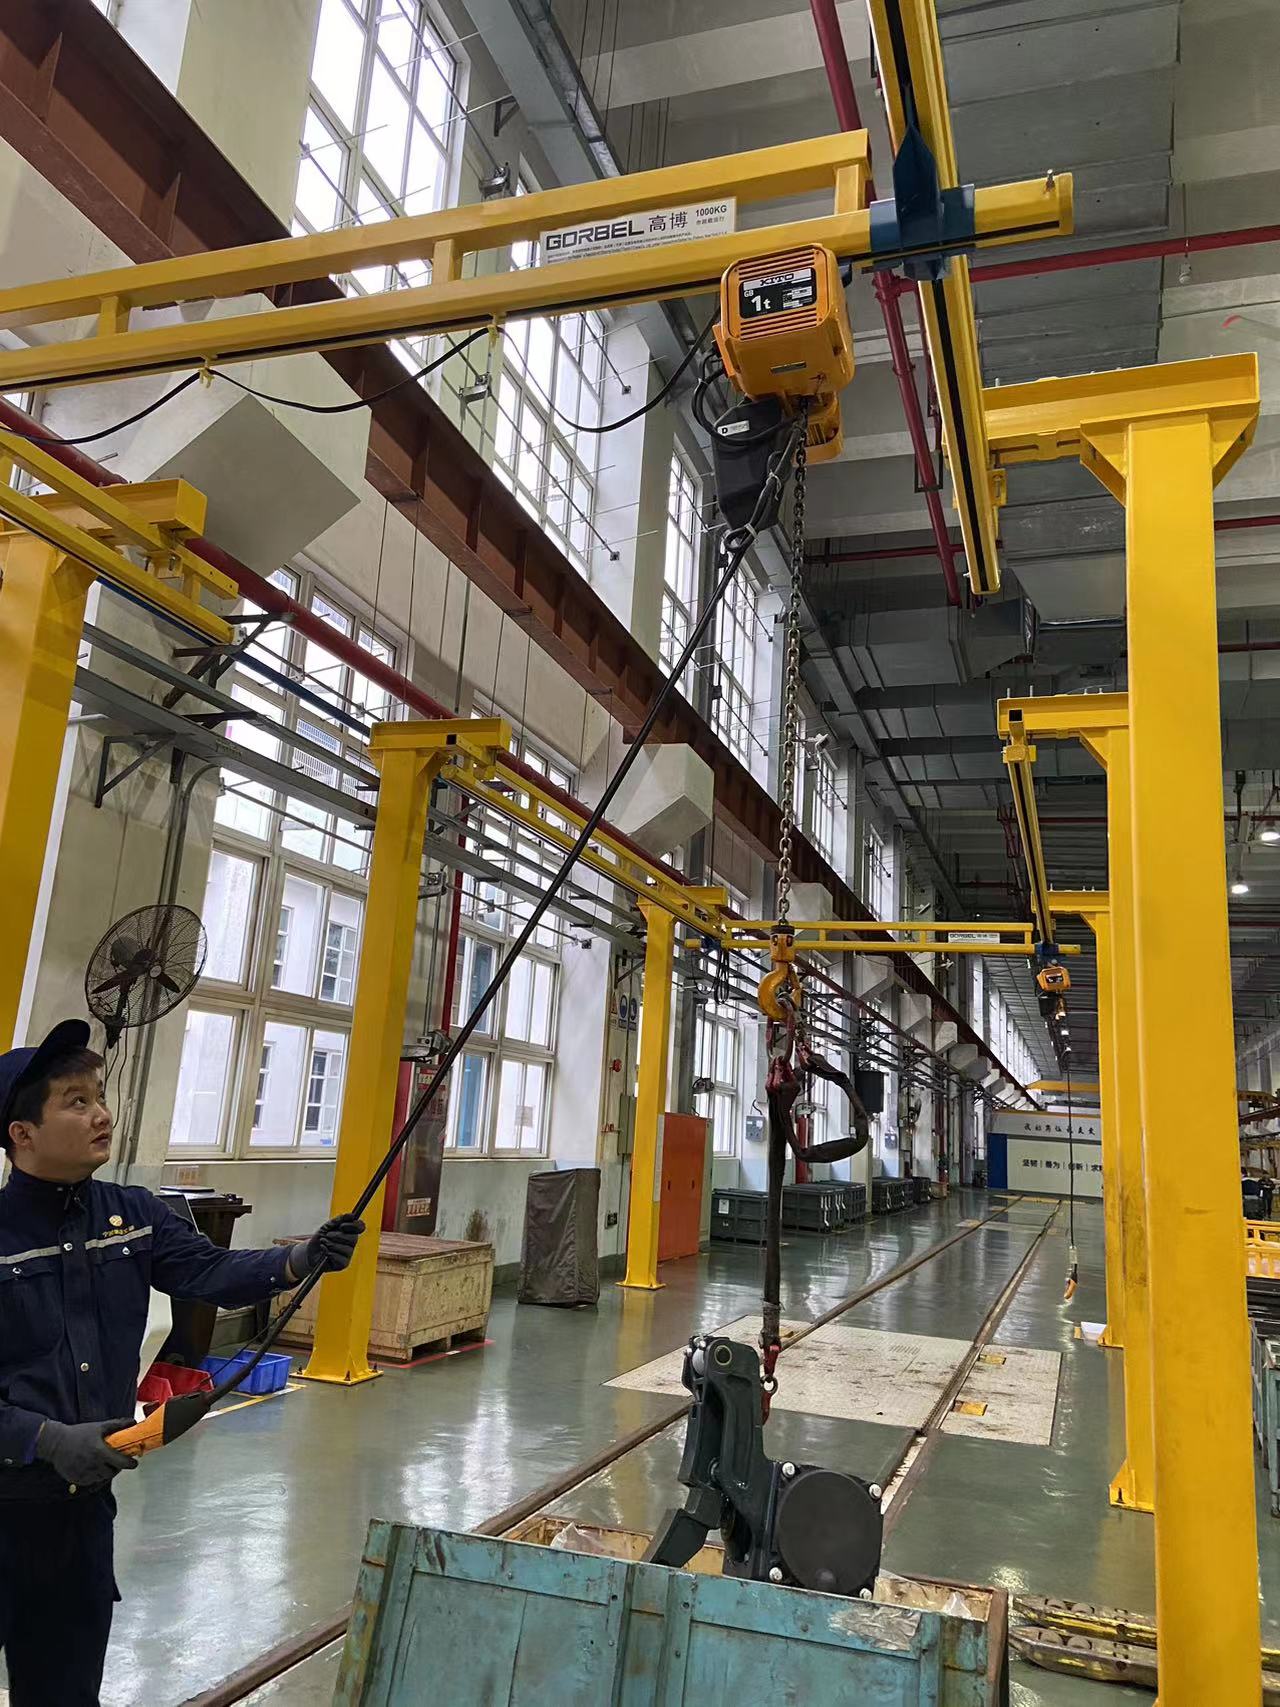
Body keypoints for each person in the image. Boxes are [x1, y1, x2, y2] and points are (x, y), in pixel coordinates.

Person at [0, 1019, 365, 1707]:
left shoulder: (133, 1215)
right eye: (76, 1101)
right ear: (22, 1133)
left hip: (79, 1517)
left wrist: (300, 1258)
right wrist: (44, 1438)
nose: (102, 1114)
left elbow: (211, 1270)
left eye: (99, 1095)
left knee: (64, 1692)